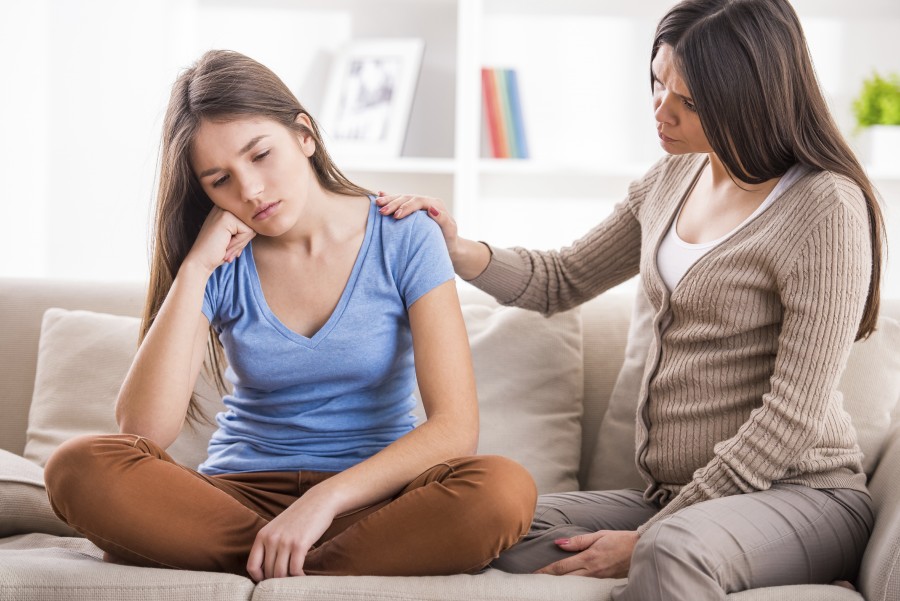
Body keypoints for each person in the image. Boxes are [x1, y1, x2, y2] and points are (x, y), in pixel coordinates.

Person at [376, 0, 886, 598]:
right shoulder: (672, 178)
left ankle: (767, 552)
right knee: (493, 529)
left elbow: (792, 416)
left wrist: (654, 533)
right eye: (656, 82)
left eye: (689, 102)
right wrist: (458, 249)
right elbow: (561, 277)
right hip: (676, 497)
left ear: (752, 100)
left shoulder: (825, 207)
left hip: (804, 494)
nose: (660, 111)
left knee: (671, 551)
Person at [42, 49, 537, 582]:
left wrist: (321, 502)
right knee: (77, 467)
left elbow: (455, 428)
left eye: (260, 155)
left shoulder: (404, 234)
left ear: (305, 134)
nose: (249, 191)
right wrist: (194, 270)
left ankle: (270, 563)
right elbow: (142, 431)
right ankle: (303, 564)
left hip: (372, 501)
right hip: (235, 498)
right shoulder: (220, 258)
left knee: (504, 490)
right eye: (219, 180)